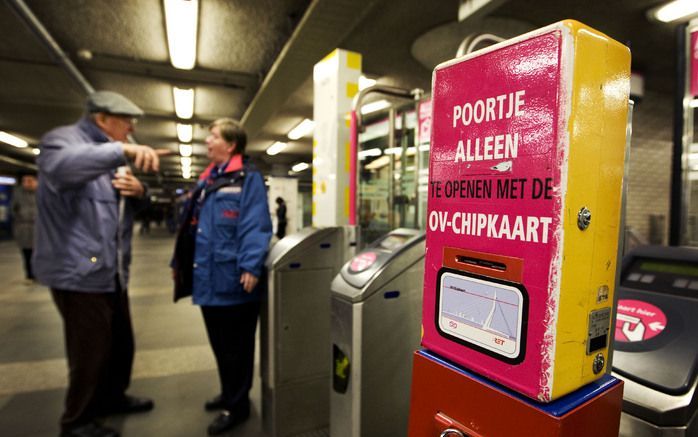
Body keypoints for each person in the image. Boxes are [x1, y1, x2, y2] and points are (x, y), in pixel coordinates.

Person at [33, 91, 162, 437]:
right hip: (78, 273)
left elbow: (124, 211)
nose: (132, 129)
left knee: (120, 344)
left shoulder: (112, 157)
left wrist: (139, 192)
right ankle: (76, 422)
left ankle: (112, 398)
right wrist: (121, 151)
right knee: (89, 352)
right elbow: (62, 170)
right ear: (101, 119)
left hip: (111, 270)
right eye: (126, 121)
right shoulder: (62, 141)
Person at [172, 118, 272, 436]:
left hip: (233, 279)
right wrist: (180, 261)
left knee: (237, 349)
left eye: (213, 136)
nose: (207, 142)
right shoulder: (208, 181)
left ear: (230, 145)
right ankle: (229, 393)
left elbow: (255, 223)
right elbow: (191, 227)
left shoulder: (247, 178)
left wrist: (250, 266)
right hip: (208, 278)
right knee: (220, 346)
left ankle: (238, 406)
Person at [12, 173, 37, 283]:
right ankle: (30, 275)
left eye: (29, 180)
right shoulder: (18, 194)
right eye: (24, 181)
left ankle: (40, 274)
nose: (27, 183)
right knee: (27, 253)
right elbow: (13, 209)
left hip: (39, 228)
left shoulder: (42, 193)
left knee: (40, 253)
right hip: (24, 228)